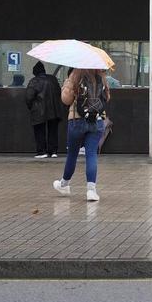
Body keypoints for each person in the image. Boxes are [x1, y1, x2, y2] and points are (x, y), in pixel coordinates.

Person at [52, 67, 109, 202]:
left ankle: (64, 184)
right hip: (97, 120)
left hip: (77, 120)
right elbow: (107, 97)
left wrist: (67, 85)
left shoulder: (74, 75)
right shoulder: (101, 76)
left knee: (72, 154)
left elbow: (66, 100)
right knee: (91, 154)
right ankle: (91, 190)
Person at [24, 61, 62, 159]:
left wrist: (31, 107)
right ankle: (53, 151)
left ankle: (42, 151)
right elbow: (59, 92)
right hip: (54, 109)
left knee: (39, 131)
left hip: (39, 110)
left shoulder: (34, 81)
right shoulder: (53, 79)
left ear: (35, 72)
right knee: (53, 131)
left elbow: (29, 97)